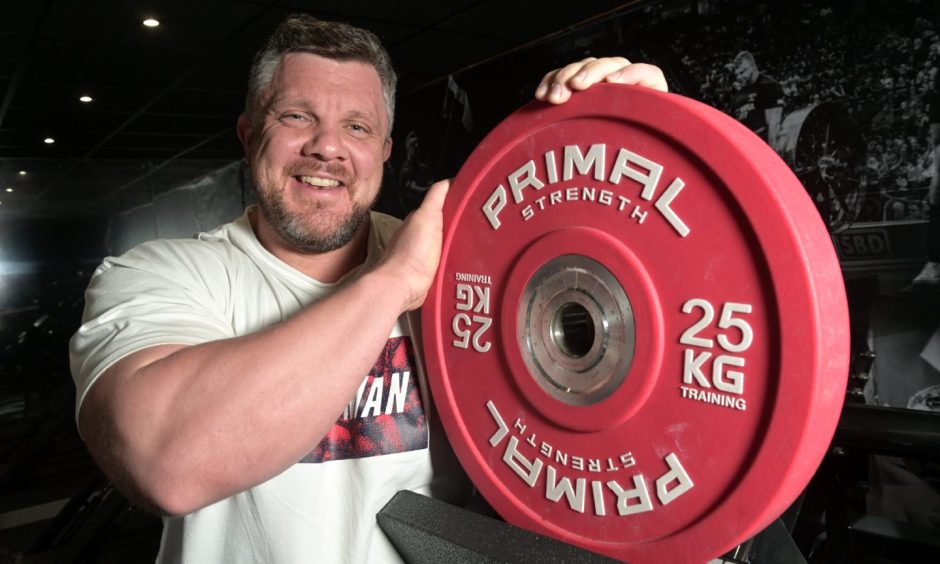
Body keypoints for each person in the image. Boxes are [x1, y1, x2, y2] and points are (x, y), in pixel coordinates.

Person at [69, 14, 668, 564]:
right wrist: (395, 283)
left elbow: (613, 386)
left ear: (382, 152)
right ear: (250, 134)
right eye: (297, 116)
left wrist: (635, 128)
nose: (327, 147)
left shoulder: (461, 271)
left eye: (356, 126)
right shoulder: (159, 274)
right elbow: (167, 463)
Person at [729, 50, 785, 151]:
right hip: (746, 150)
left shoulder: (768, 85)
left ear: (752, 66)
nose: (739, 77)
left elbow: (774, 125)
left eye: (742, 72)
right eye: (737, 74)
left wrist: (772, 157)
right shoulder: (736, 98)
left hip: (763, 148)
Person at [397, 130, 434, 213]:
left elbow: (430, 181)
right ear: (407, 145)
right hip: (407, 213)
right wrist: (428, 190)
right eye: (413, 145)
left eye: (417, 144)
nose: (415, 146)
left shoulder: (424, 168)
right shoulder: (406, 168)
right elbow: (413, 188)